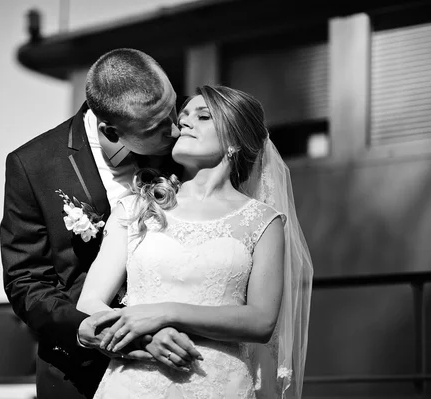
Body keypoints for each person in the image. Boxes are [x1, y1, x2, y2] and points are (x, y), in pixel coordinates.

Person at [77, 85, 314, 398]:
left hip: (220, 385)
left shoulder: (263, 221)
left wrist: (166, 312)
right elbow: (89, 302)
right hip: (134, 384)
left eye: (202, 117)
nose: (183, 123)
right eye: (184, 116)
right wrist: (148, 337)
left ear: (234, 141)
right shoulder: (136, 207)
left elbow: (261, 321)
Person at [0, 48, 200, 399]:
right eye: (156, 127)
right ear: (111, 130)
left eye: (172, 108)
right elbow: (26, 281)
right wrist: (86, 329)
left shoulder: (194, 131)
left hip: (182, 358)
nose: (175, 128)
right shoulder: (33, 165)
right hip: (81, 371)